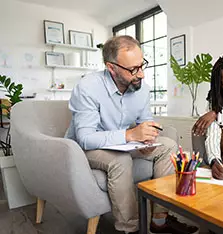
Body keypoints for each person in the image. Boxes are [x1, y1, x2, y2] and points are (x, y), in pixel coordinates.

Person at [66, 35, 198, 234]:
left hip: (123, 142)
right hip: (87, 148)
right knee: (120, 161)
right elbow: (85, 138)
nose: (142, 74)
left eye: (142, 65)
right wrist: (130, 135)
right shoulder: (88, 88)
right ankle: (129, 229)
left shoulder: (142, 90)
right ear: (112, 68)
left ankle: (159, 221)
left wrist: (148, 137)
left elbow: (144, 124)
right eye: (133, 69)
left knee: (168, 145)